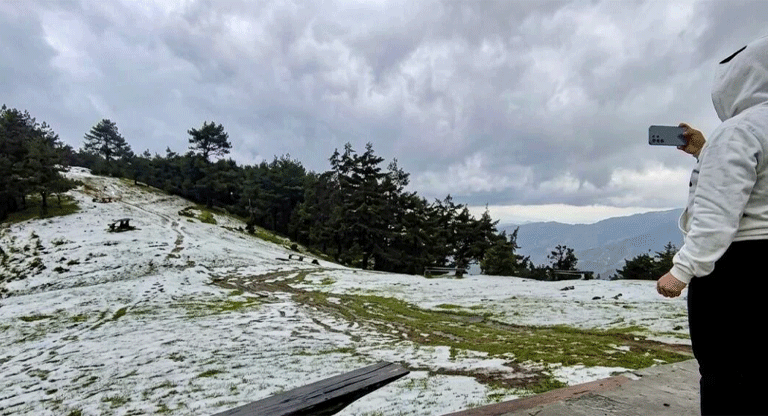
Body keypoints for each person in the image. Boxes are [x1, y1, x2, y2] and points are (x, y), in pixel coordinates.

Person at [656, 34, 768, 415]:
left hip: (737, 269)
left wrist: (682, 270)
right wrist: (706, 151)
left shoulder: (738, 130)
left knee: (724, 372)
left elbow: (719, 211)